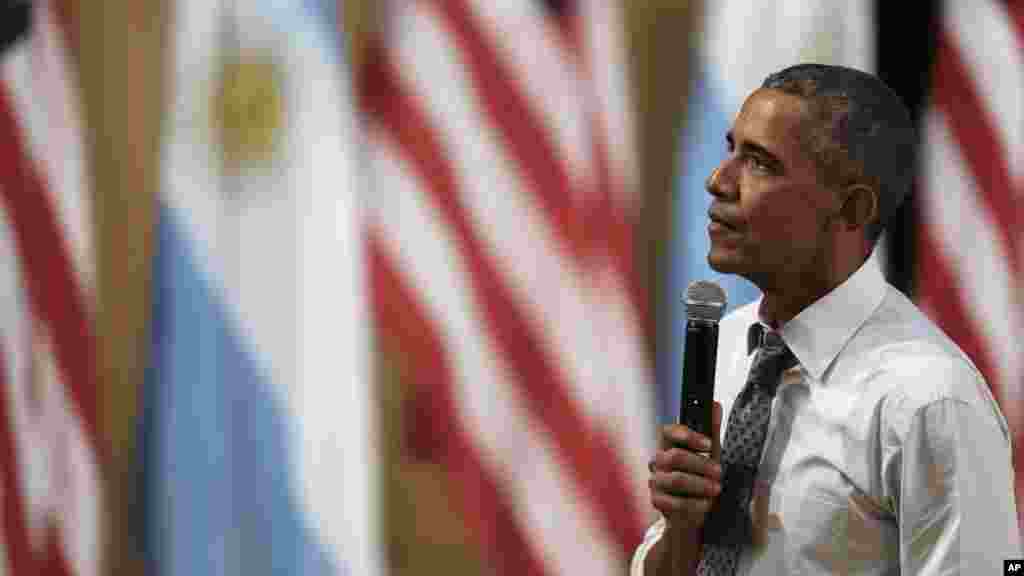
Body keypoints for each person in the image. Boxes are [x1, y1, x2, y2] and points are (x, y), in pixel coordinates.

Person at [632, 63, 1021, 575]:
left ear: (853, 209)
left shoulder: (931, 399)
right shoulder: (725, 342)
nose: (718, 180)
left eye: (760, 163)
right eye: (731, 150)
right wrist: (683, 527)